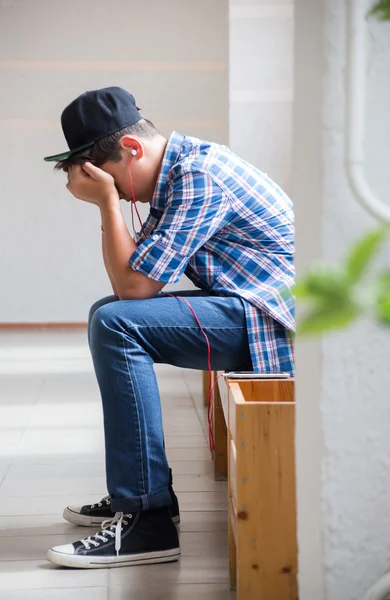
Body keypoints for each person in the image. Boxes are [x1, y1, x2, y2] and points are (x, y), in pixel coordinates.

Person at [43, 86, 295, 569]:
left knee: (117, 324)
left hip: (274, 322)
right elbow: (128, 285)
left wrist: (107, 206)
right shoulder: (175, 175)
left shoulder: (199, 175)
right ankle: (144, 495)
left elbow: (134, 291)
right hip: (249, 309)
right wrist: (112, 199)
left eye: (111, 177)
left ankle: (147, 518)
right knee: (107, 316)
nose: (111, 188)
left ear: (132, 150)